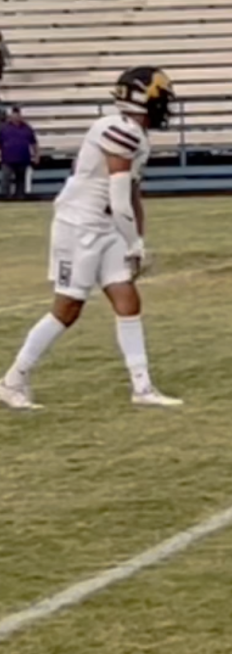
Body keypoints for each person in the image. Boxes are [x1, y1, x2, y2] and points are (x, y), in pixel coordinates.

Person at [1, 67, 183, 411]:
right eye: (160, 98)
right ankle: (13, 380)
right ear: (142, 98)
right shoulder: (117, 130)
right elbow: (117, 196)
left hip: (106, 226)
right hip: (80, 225)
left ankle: (142, 387)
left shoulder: (135, 134)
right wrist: (135, 244)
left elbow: (132, 193)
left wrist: (137, 238)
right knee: (68, 308)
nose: (165, 106)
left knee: (127, 298)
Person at [1, 106, 39, 200]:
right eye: (14, 115)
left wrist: (36, 155)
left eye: (18, 115)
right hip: (8, 159)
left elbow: (34, 143)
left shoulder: (27, 128)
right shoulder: (4, 128)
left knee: (21, 180)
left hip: (23, 158)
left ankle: (20, 197)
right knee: (6, 179)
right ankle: (5, 197)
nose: (16, 117)